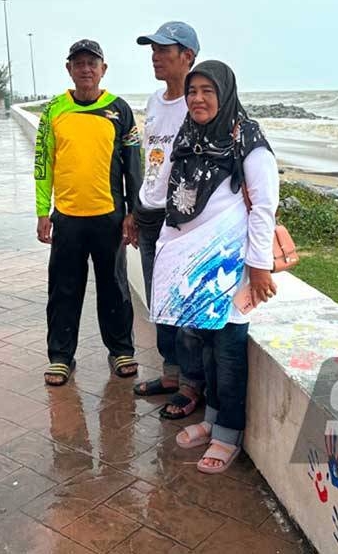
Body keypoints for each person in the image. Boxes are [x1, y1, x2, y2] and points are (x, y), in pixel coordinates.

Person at [150, 60, 279, 473]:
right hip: (193, 264)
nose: (198, 98)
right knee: (202, 346)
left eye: (208, 90)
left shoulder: (247, 139)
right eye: (192, 91)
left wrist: (259, 267)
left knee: (228, 351)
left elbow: (263, 207)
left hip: (232, 264)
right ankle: (210, 421)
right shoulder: (189, 135)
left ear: (224, 94)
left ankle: (229, 434)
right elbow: (173, 198)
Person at [34, 39, 143, 386]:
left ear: (103, 69)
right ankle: (61, 356)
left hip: (109, 216)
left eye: (91, 63)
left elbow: (133, 166)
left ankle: (121, 349)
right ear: (69, 69)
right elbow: (43, 164)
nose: (85, 69)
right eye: (78, 63)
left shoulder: (119, 110)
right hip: (66, 216)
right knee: (64, 289)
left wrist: (133, 212)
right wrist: (42, 212)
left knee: (114, 286)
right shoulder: (54, 110)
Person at [129, 22, 204, 419]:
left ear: (187, 57)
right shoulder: (154, 102)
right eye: (152, 50)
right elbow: (150, 160)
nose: (155, 57)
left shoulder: (199, 105)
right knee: (159, 302)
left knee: (184, 303)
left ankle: (192, 386)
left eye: (164, 50)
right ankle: (171, 374)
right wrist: (136, 208)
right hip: (148, 214)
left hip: (181, 221)